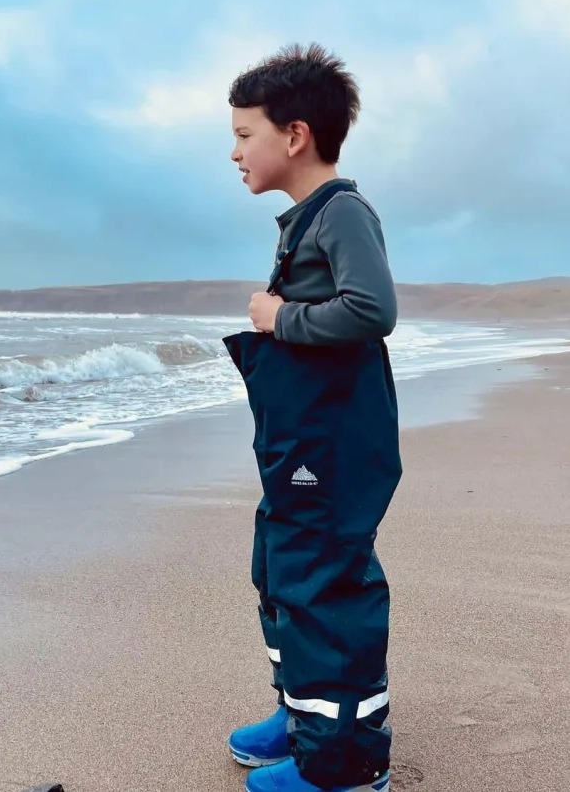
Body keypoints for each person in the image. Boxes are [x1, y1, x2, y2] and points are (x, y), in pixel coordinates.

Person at [221, 43, 403, 792]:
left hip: (329, 449)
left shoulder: (341, 212)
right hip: (302, 445)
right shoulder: (304, 218)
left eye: (242, 134)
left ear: (293, 135)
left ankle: (344, 765)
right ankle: (304, 719)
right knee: (282, 568)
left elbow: (371, 310)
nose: (232, 151)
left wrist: (276, 314)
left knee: (323, 583)